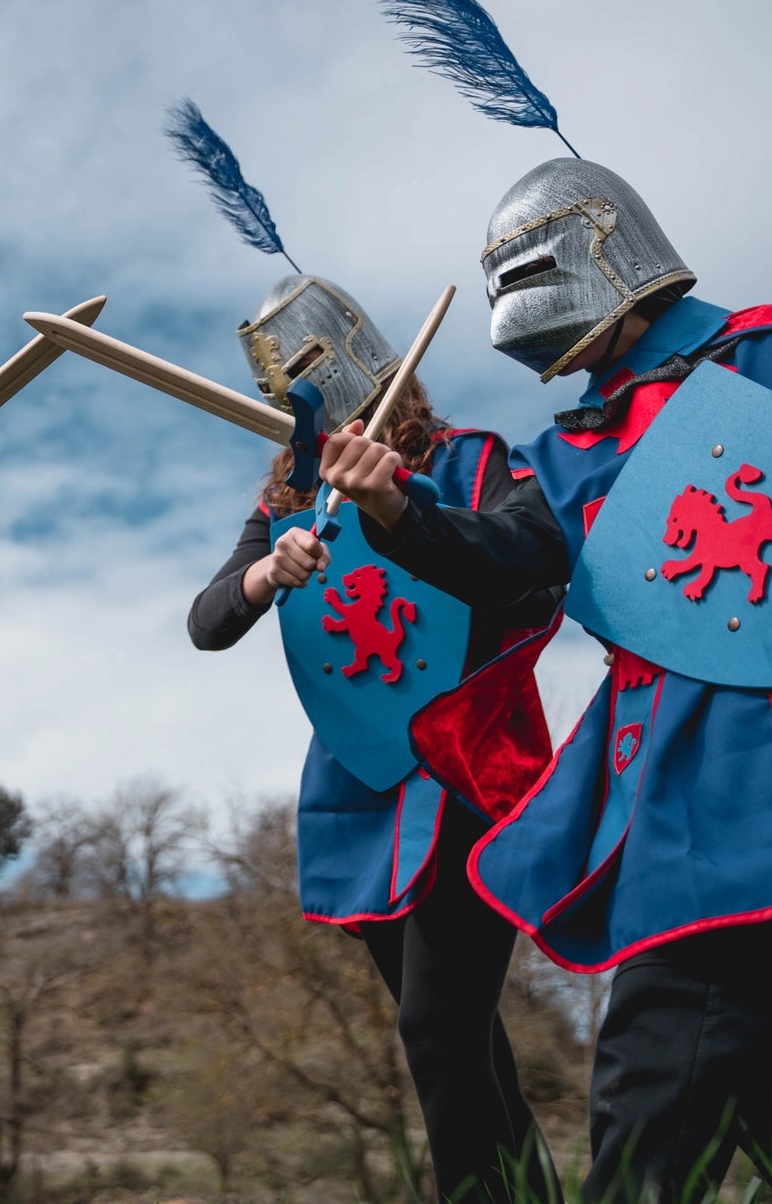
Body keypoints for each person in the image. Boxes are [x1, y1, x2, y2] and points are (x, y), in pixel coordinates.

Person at [319, 156, 772, 1204]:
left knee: (652, 1070)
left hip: (753, 772)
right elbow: (500, 557)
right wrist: (393, 514)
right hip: (645, 780)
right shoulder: (571, 448)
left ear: (600, 249)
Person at [189, 272, 560, 1204]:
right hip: (361, 779)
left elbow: (527, 569)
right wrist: (270, 569)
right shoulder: (290, 497)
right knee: (463, 1043)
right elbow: (207, 621)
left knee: (438, 1032)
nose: (303, 399)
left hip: (466, 766)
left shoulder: (473, 457)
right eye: (286, 390)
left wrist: (404, 505)